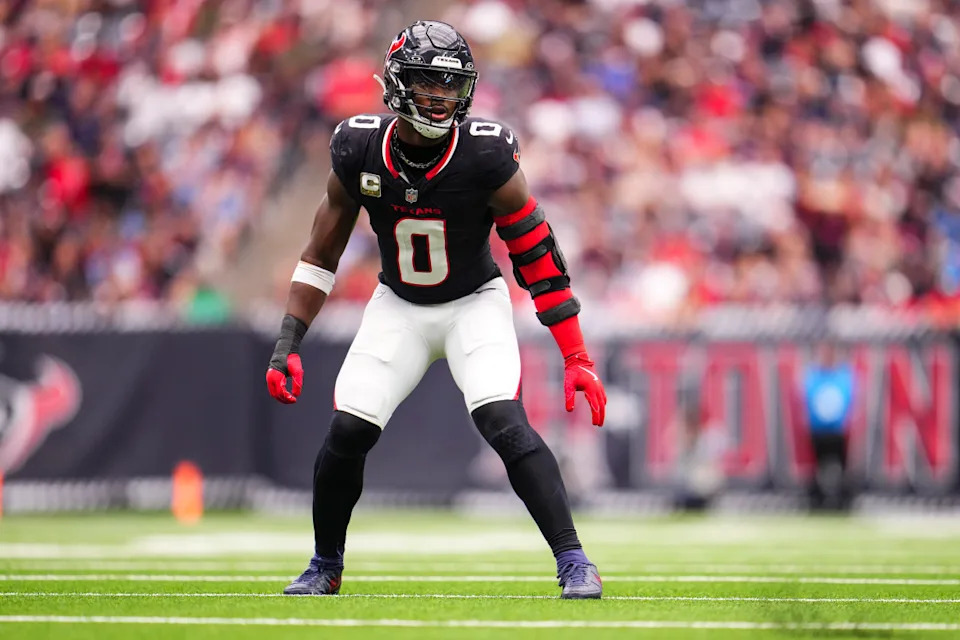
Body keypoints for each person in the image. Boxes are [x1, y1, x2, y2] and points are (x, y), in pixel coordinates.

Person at [265, 21, 607, 599]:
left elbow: (537, 255)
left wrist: (576, 354)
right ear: (397, 85)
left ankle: (574, 559)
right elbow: (321, 252)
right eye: (429, 83)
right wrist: (287, 341)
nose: (441, 98)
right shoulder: (358, 148)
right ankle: (325, 563)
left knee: (503, 419)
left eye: (452, 86)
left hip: (474, 303)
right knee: (348, 427)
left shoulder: (485, 154)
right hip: (397, 304)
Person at [803, 342, 854, 511]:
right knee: (817, 467)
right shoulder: (813, 376)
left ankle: (843, 502)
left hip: (838, 430)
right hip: (818, 430)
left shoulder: (842, 376)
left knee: (842, 467)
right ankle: (816, 502)